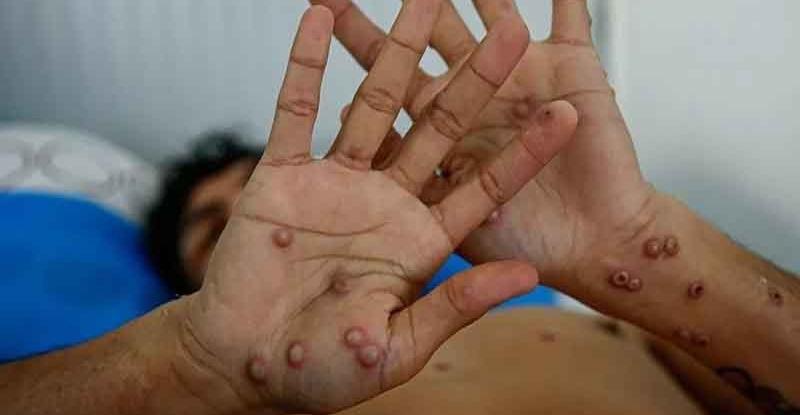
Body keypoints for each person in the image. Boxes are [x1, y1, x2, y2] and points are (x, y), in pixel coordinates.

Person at [0, 2, 797, 415]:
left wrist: (641, 248)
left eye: (262, 191)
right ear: (181, 289)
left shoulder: (615, 324)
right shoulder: (190, 393)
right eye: (220, 231)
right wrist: (186, 365)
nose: (280, 232)